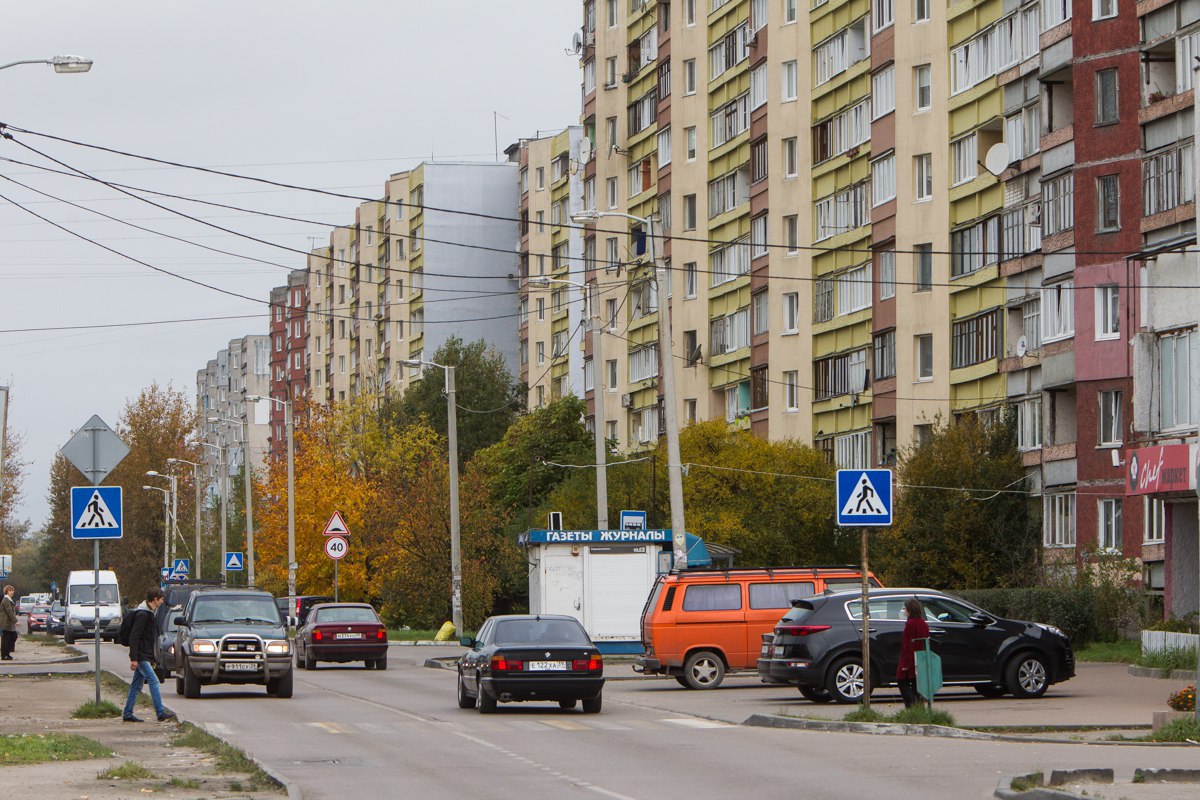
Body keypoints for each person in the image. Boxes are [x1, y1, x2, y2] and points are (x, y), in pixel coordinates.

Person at [123, 588, 177, 723]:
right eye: (161, 599)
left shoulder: (150, 613)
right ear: (154, 599)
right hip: (141, 656)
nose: (162, 602)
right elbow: (134, 637)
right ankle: (160, 712)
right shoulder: (143, 615)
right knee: (154, 681)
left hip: (144, 655)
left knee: (136, 686)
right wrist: (134, 658)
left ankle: (127, 713)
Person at [896, 596, 931, 709]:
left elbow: (907, 645)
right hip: (920, 659)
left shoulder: (910, 624)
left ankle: (912, 706)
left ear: (910, 610)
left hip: (910, 660)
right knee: (917, 685)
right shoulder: (923, 623)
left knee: (902, 682)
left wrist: (905, 665)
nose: (904, 611)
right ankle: (918, 707)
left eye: (905, 609)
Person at [1, 585, 18, 660]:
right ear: (6, 591)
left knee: (13, 636)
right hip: (6, 623)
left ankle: (7, 653)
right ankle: (4, 655)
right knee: (7, 639)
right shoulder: (6, 600)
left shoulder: (9, 599)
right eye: (10, 590)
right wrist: (15, 621)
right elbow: (9, 611)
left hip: (9, 623)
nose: (12, 592)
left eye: (12, 590)